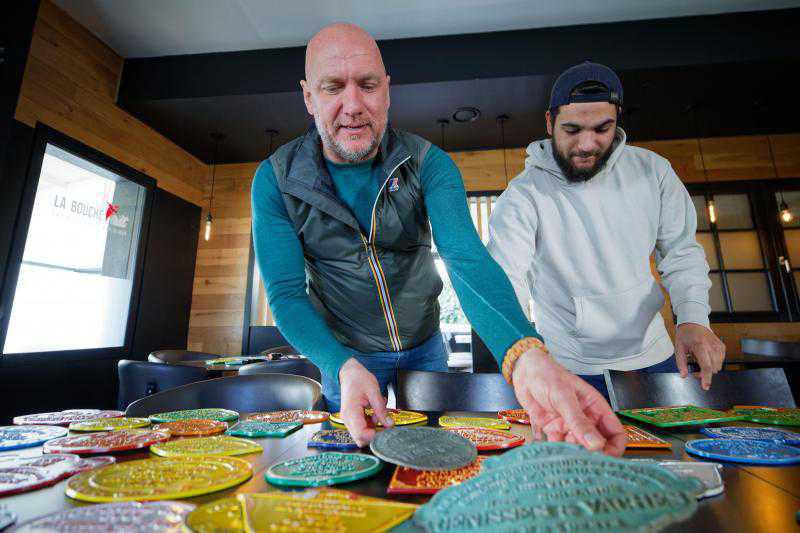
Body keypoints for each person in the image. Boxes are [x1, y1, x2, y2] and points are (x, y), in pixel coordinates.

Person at [251, 25, 625, 454]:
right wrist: (339, 366)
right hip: (344, 355)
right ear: (308, 97)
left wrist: (526, 356)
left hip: (426, 346)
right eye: (332, 87)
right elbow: (284, 294)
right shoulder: (274, 180)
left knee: (433, 457)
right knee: (348, 465)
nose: (352, 105)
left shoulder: (430, 163)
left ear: (387, 90)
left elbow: (466, 259)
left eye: (368, 85)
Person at [487, 62, 726, 401]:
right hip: (568, 365)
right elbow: (506, 280)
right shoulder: (524, 195)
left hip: (654, 356)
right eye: (572, 129)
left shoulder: (653, 172)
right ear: (549, 121)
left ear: (618, 120)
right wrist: (525, 352)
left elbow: (680, 251)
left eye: (602, 129)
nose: (587, 144)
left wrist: (693, 318)